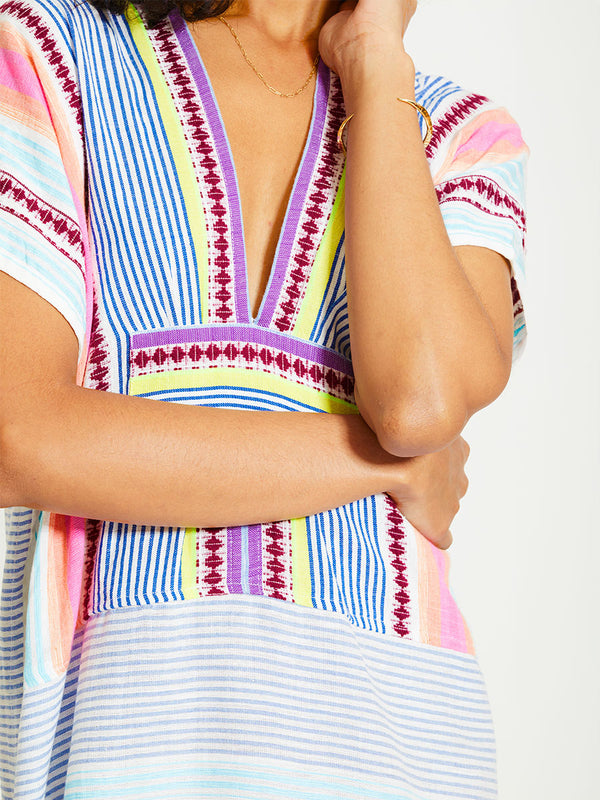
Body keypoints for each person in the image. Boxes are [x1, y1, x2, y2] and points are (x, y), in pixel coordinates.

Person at [0, 0, 529, 797]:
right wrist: (386, 468)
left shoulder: (460, 134)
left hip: (393, 745)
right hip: (127, 734)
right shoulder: (50, 50)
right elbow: (20, 438)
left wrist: (378, 61)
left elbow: (418, 404)